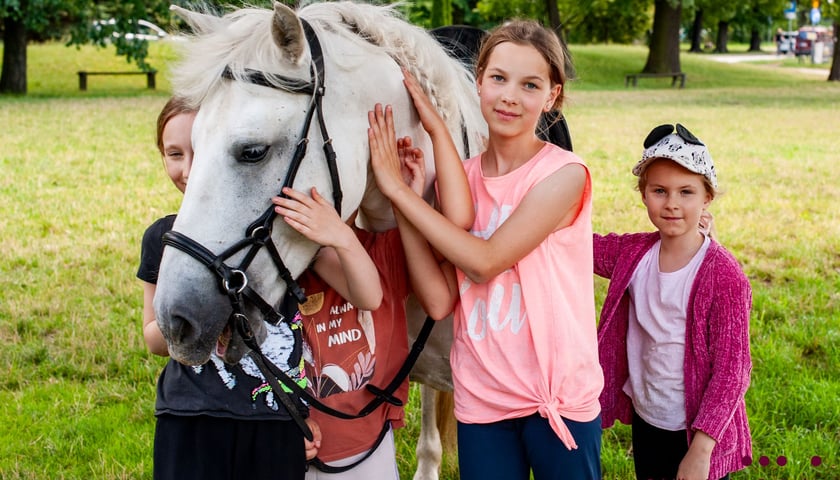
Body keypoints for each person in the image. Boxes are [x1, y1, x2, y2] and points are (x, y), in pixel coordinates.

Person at [367, 20, 603, 480]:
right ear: (478, 82)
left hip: (555, 399)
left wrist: (428, 139)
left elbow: (485, 261)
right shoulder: (462, 182)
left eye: (530, 84)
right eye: (498, 78)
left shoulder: (564, 175)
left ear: (551, 96)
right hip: (481, 401)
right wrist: (408, 201)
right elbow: (436, 300)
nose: (510, 96)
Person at [269, 71, 467, 479]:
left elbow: (372, 292)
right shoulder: (299, 252)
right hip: (300, 438)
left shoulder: (383, 247)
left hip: (367, 440)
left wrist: (403, 195)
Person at [137, 97, 320, 480]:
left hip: (274, 414)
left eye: (198, 150)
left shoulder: (275, 234)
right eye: (174, 153)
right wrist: (199, 322)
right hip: (193, 416)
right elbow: (154, 338)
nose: (187, 168)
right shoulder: (162, 237)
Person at [594, 124, 753, 480]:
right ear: (643, 194)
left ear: (707, 197)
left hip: (697, 433)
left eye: (686, 192)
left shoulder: (724, 277)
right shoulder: (633, 254)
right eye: (660, 191)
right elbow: (579, 247)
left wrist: (701, 449)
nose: (672, 204)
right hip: (648, 418)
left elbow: (733, 371)